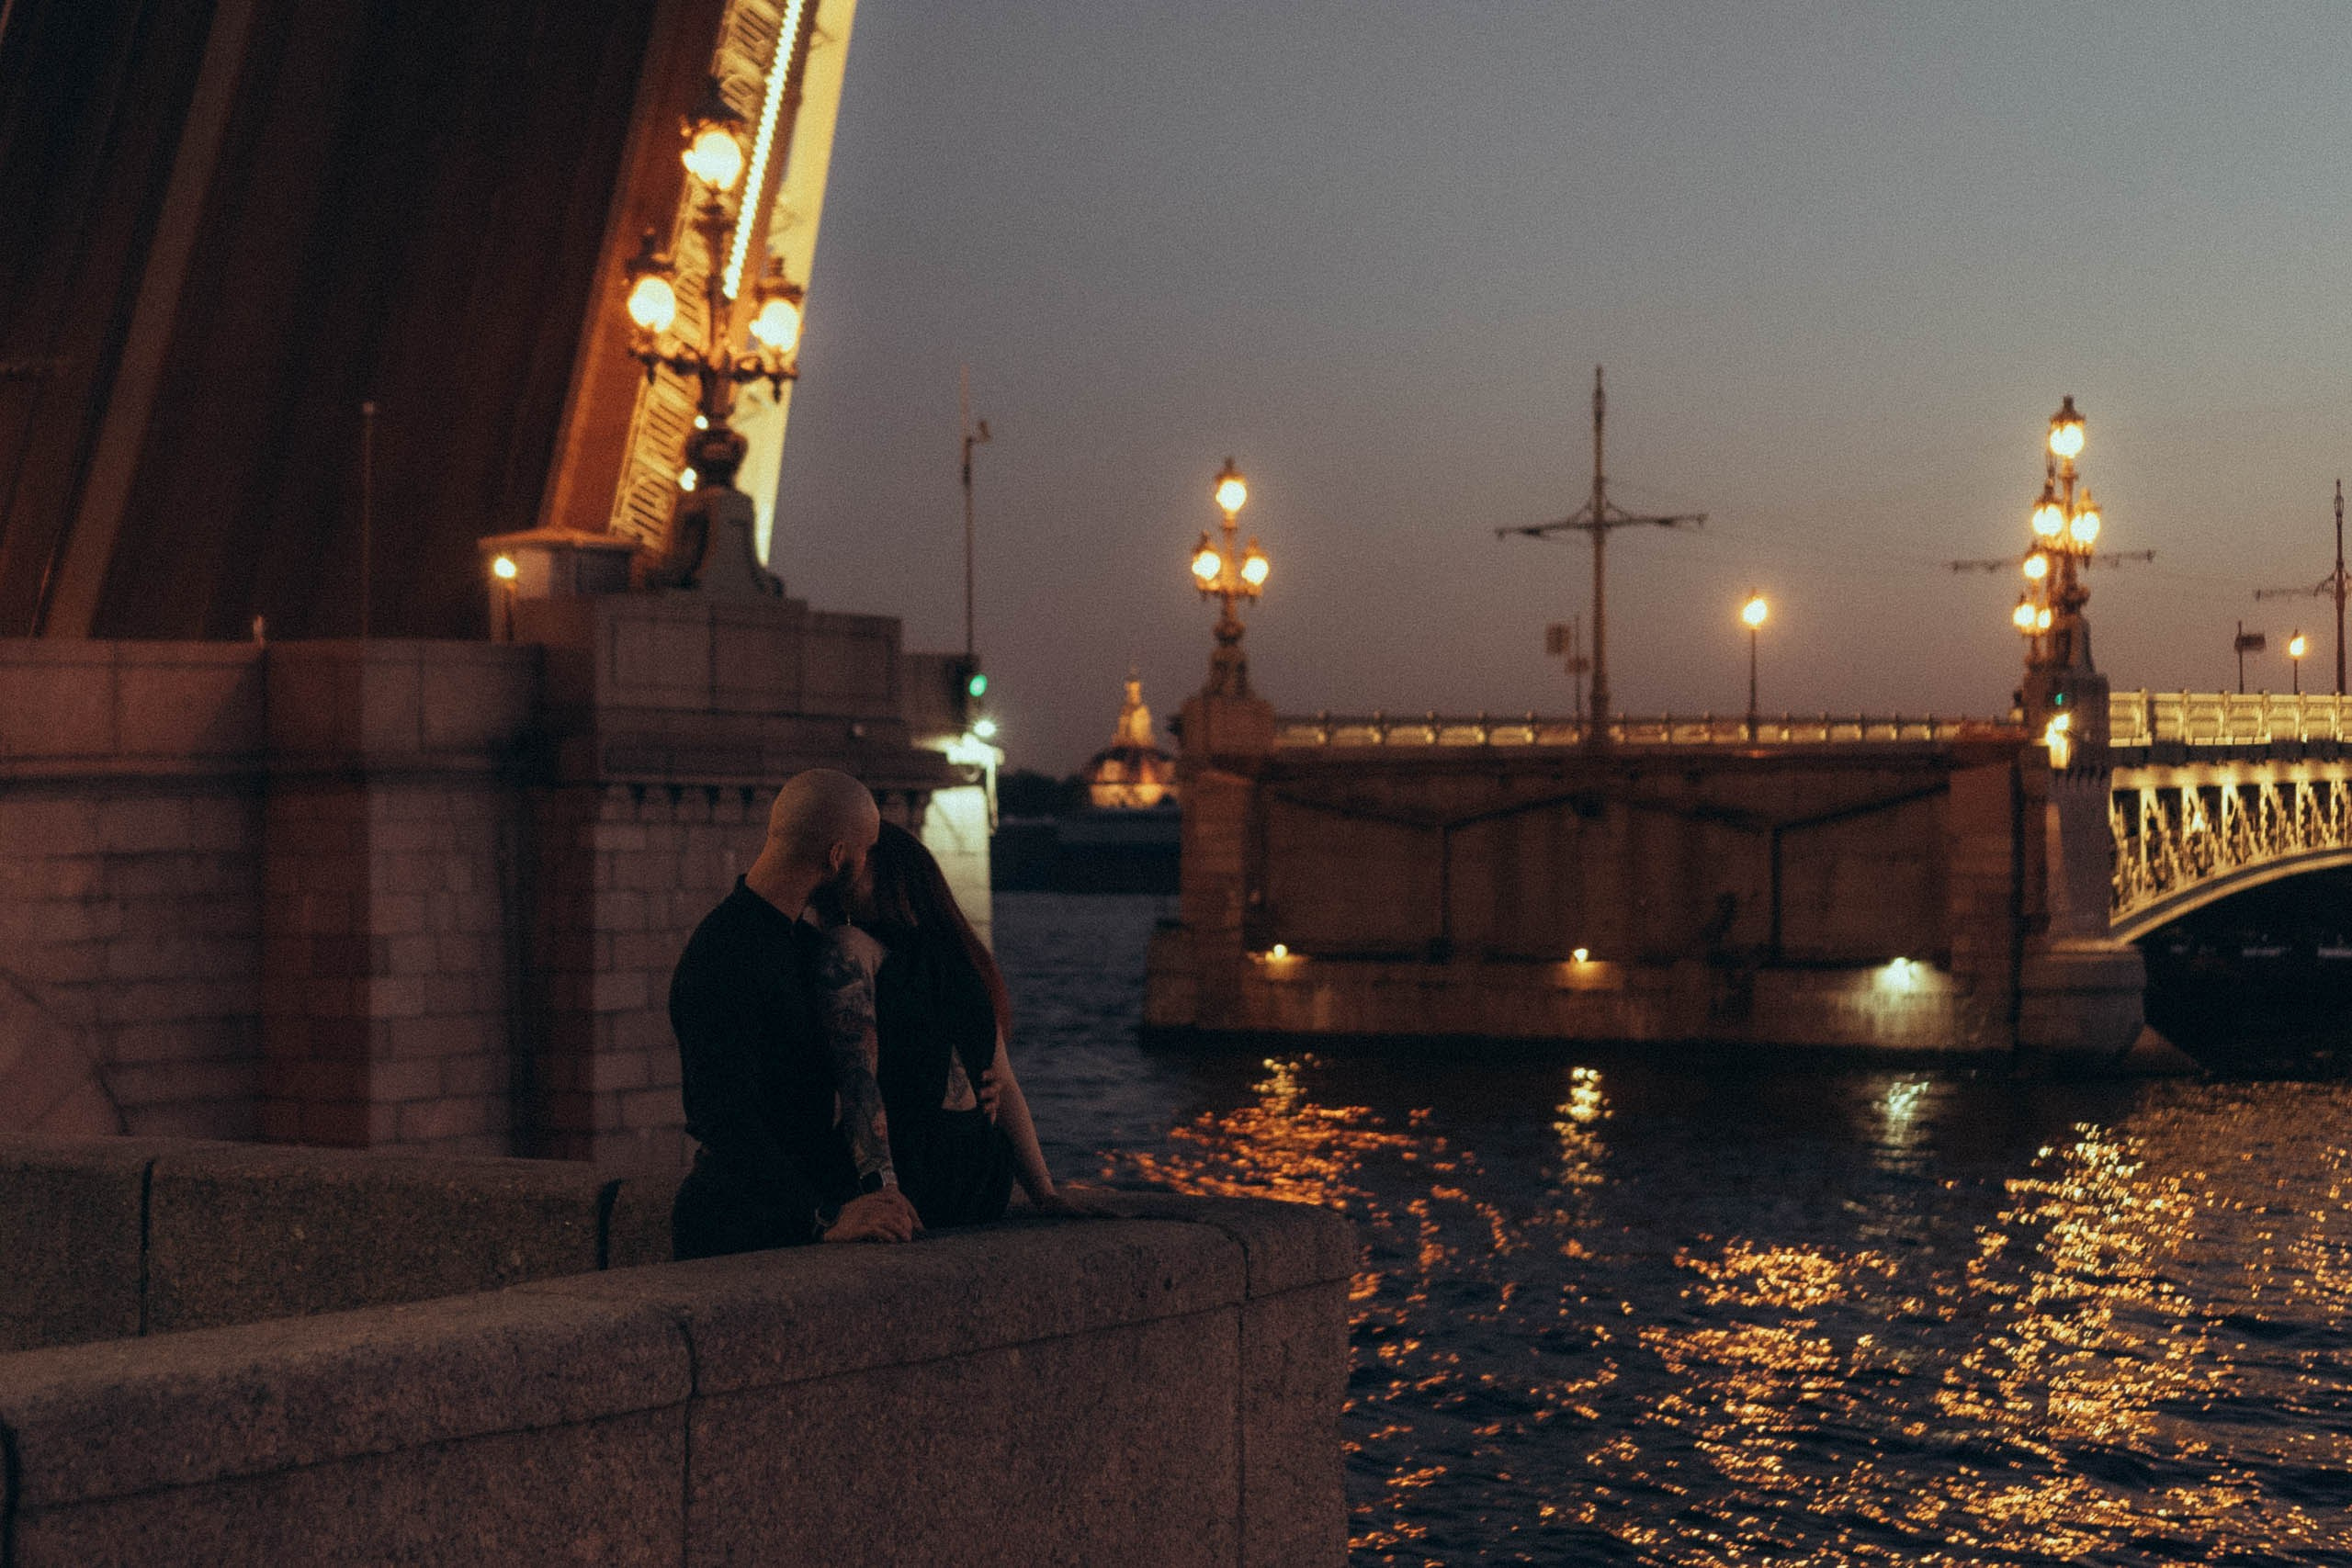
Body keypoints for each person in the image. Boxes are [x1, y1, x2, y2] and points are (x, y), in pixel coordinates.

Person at [668, 769, 924, 1258]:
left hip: (782, 1216)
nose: (868, 863)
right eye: (864, 850)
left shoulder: (794, 945)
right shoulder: (723, 954)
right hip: (738, 1232)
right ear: (835, 857)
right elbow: (722, 1116)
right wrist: (824, 1215)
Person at [815, 821, 1074, 1229]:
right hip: (979, 1181)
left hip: (921, 1178)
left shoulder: (856, 947)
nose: (841, 872)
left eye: (858, 861)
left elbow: (861, 1082)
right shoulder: (958, 960)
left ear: (889, 869)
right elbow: (858, 1082)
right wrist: (1043, 1190)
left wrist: (882, 1185)